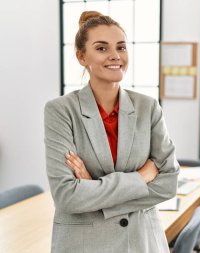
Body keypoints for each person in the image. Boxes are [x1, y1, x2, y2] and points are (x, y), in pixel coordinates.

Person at [44, 11, 179, 253]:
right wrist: (140, 177)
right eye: (102, 48)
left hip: (142, 242)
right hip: (84, 245)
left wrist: (93, 186)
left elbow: (168, 183)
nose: (115, 56)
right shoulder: (60, 111)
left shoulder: (148, 108)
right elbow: (67, 196)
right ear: (81, 56)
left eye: (121, 47)